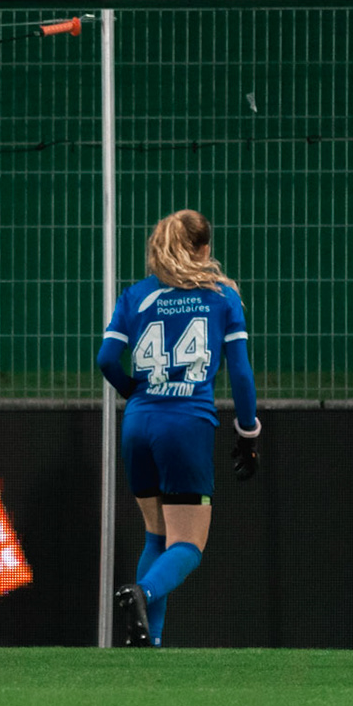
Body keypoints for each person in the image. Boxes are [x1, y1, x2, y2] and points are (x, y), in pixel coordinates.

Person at [97, 209, 260, 647]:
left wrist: (135, 394)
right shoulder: (222, 296)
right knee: (188, 543)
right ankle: (142, 593)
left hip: (139, 421)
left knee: (157, 535)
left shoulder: (136, 295)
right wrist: (248, 434)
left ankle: (148, 642)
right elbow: (240, 374)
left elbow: (106, 360)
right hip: (186, 422)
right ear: (204, 249)